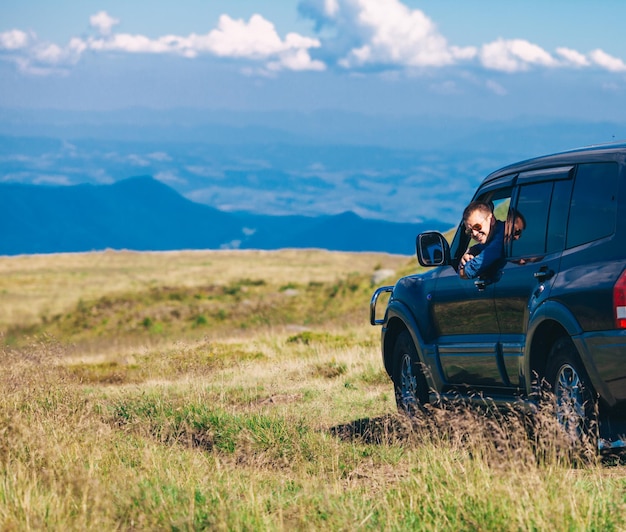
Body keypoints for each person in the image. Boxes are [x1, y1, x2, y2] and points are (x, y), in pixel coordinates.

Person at [458, 200, 505, 279]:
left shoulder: (502, 237)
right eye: (469, 231)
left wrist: (462, 269)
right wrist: (471, 251)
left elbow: (467, 272)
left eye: (477, 227)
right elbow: (480, 247)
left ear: (491, 220)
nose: (475, 233)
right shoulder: (495, 235)